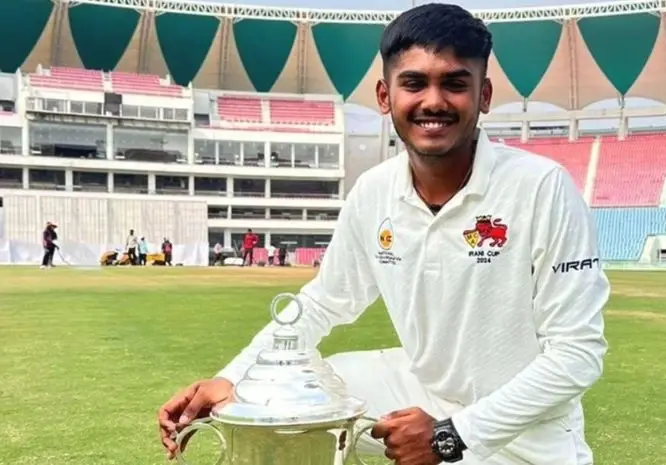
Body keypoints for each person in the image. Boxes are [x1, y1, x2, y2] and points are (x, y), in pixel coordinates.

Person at [157, 4, 610, 465]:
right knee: (290, 392)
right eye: (413, 83)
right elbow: (323, 302)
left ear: (484, 94)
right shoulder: (375, 191)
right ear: (384, 95)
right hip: (420, 392)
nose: (434, 102)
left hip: (528, 439)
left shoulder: (541, 187)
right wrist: (234, 378)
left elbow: (577, 353)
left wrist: (450, 436)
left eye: (455, 84)